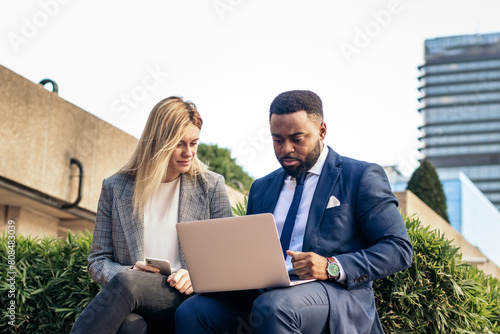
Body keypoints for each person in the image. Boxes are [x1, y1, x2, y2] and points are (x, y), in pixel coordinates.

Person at [175, 90, 413, 334]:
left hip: (335, 296)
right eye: (277, 140)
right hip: (266, 295)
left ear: (322, 131)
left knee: (276, 307)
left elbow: (398, 248)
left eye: (297, 139)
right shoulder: (261, 188)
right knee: (193, 311)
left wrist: (331, 266)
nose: (286, 149)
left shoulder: (361, 176)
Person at [70, 96, 233, 334]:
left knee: (128, 284)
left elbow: (228, 258)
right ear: (158, 142)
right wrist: (131, 273)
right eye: (179, 144)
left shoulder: (210, 186)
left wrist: (196, 276)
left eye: (194, 143)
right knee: (129, 326)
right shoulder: (115, 188)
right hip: (134, 300)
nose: (189, 152)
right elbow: (98, 260)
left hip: (188, 299)